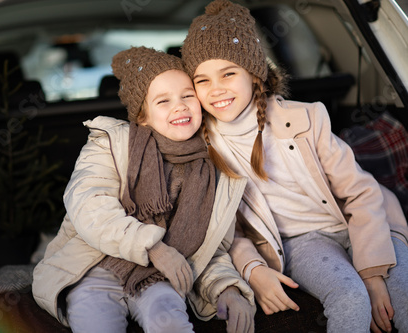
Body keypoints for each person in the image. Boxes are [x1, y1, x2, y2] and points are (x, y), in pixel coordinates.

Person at [180, 1, 408, 332]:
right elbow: (229, 233)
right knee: (350, 297)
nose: (216, 89)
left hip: (364, 220)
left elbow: (359, 192)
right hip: (300, 242)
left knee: (400, 296)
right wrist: (253, 269)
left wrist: (373, 274)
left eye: (228, 73)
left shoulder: (306, 117)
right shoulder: (204, 149)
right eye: (202, 80)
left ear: (254, 73)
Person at [32, 46, 256, 333]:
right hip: (95, 267)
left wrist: (228, 289)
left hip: (159, 279)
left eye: (188, 95)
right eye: (163, 101)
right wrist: (152, 247)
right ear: (143, 116)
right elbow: (89, 206)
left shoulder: (213, 168)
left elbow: (208, 249)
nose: (179, 106)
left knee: (172, 325)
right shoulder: (110, 145)